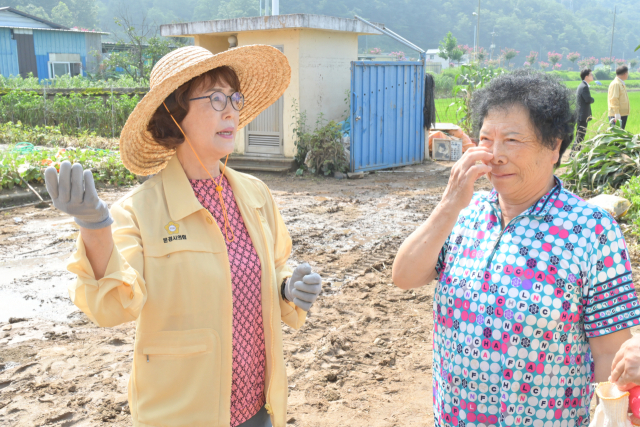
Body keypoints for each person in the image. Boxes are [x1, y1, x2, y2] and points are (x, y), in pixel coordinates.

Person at [43, 46, 323, 427]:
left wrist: (288, 287)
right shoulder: (139, 211)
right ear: (175, 115)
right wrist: (95, 229)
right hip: (178, 415)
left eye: (234, 98)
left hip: (259, 408)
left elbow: (274, 266)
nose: (231, 111)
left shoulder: (256, 195)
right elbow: (113, 307)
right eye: (216, 99)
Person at [392, 69, 640, 426]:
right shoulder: (466, 215)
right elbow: (404, 275)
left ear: (554, 145)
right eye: (485, 139)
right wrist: (449, 203)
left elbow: (609, 352)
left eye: (512, 140)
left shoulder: (591, 230)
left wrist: (611, 415)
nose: (495, 155)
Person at [573, 68, 595, 154]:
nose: (592, 76)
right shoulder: (584, 87)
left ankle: (575, 152)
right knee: (580, 135)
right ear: (586, 76)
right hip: (582, 116)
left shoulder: (582, 85)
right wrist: (593, 99)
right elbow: (588, 99)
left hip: (581, 115)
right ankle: (574, 153)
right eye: (591, 75)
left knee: (580, 134)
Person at [608, 65, 630, 129]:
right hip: (617, 115)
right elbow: (614, 99)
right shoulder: (616, 84)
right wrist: (616, 113)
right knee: (616, 135)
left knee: (620, 134)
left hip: (622, 114)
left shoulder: (620, 83)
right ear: (625, 74)